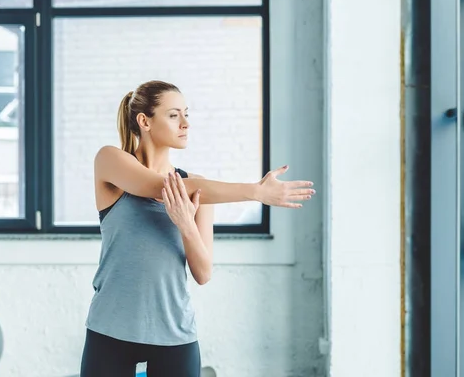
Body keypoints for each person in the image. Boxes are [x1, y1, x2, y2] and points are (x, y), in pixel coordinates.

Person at [80, 80, 315, 377]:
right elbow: (159, 187)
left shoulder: (200, 190)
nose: (186, 124)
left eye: (186, 114)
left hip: (174, 333)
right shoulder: (110, 161)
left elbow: (203, 273)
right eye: (174, 115)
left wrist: (185, 224)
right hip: (111, 330)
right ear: (145, 121)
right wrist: (254, 191)